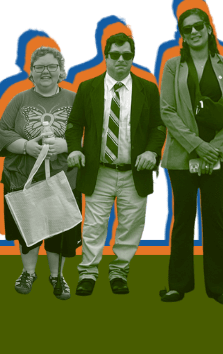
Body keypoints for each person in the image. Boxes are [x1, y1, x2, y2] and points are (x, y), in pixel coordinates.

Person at [64, 33, 164, 298]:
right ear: (105, 56)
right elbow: (74, 124)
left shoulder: (148, 88)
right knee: (94, 226)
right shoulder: (88, 87)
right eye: (115, 55)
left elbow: (158, 126)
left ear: (133, 58)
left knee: (130, 225)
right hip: (100, 171)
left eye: (127, 55)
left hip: (135, 172)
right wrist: (74, 148)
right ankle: (88, 273)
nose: (121, 60)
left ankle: (119, 271)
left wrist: (153, 152)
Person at [158, 8, 223, 304]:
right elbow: (167, 110)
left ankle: (218, 286)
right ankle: (178, 284)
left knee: (214, 218)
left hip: (219, 154)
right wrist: (196, 146)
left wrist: (215, 147)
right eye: (186, 29)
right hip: (183, 155)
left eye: (197, 26)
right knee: (183, 218)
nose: (193, 32)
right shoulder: (172, 66)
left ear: (208, 28)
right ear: (182, 36)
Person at [0, 46, 81, 300]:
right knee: (29, 230)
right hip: (25, 179)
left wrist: (66, 144)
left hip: (63, 179)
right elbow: (2, 132)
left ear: (61, 71)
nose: (46, 72)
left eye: (51, 66)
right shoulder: (19, 100)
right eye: (39, 67)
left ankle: (57, 276)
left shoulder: (74, 99)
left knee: (59, 230)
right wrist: (26, 147)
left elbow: (89, 133)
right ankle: (29, 272)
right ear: (31, 72)